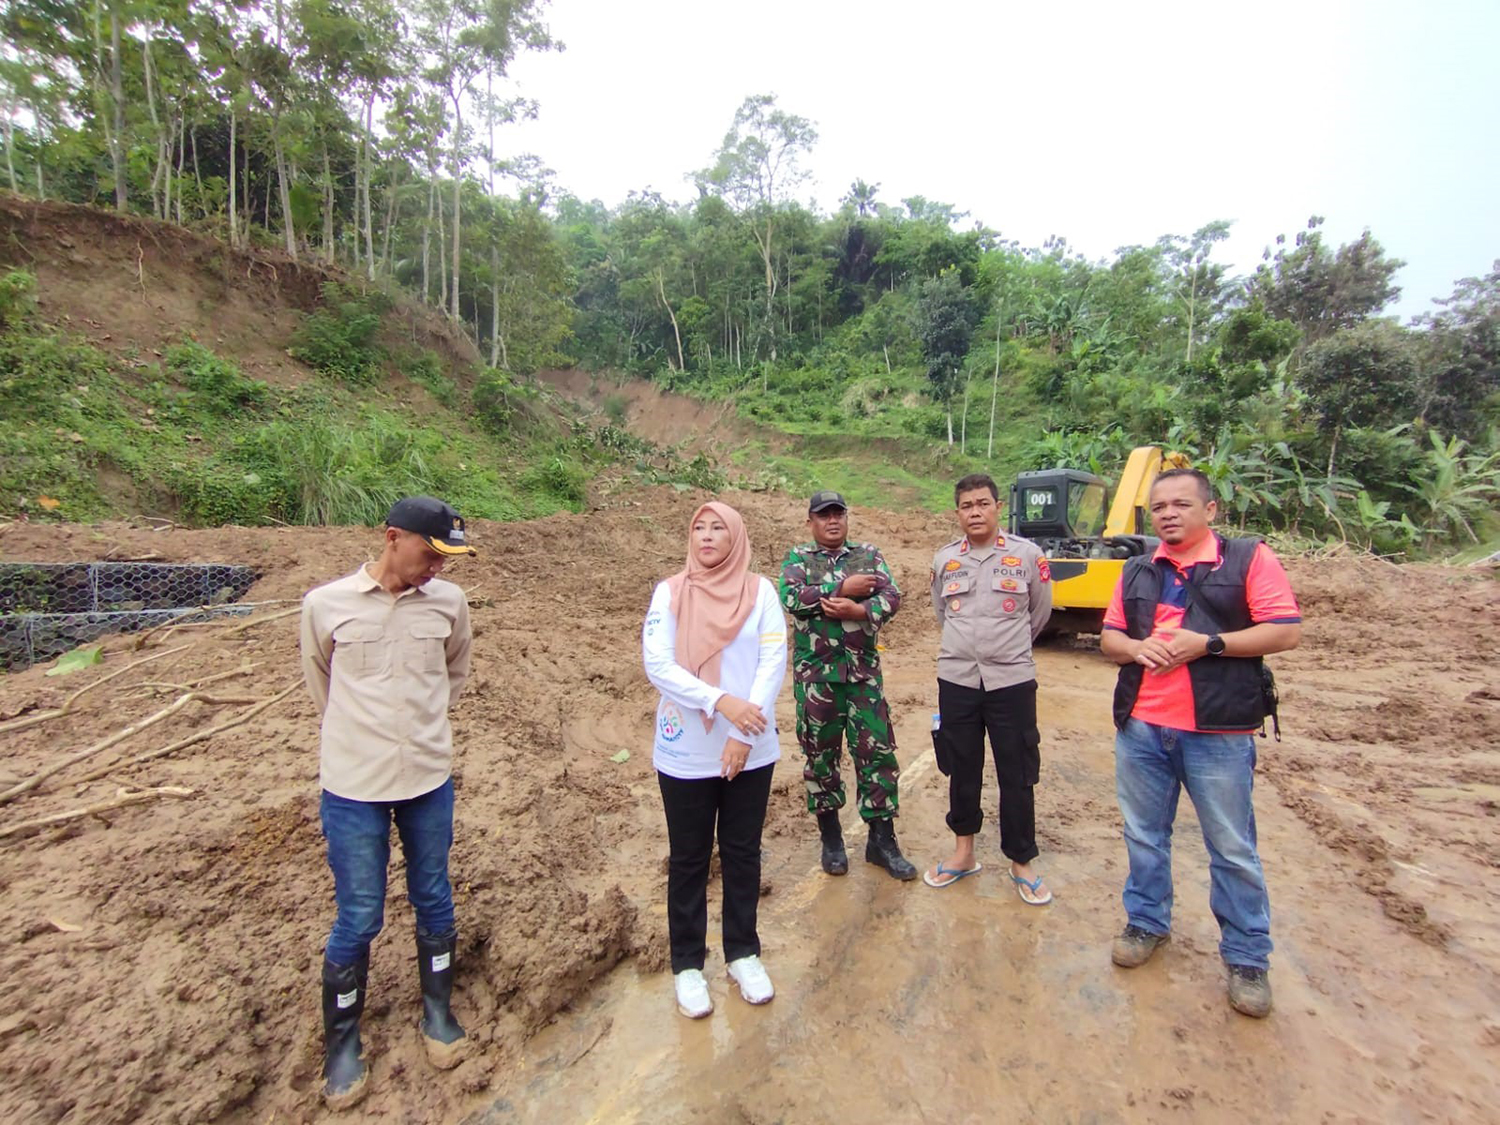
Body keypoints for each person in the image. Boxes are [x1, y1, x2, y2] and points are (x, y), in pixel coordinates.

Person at [1099, 468, 1301, 1018]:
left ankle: (1246, 957)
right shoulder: (1137, 569)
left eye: (1181, 504)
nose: (1168, 513)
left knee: (1231, 847)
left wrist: (1208, 643)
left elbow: (1284, 629)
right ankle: (1146, 923)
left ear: (1209, 511)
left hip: (1217, 734)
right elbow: (1110, 637)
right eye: (1159, 506)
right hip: (1142, 726)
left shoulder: (1247, 560)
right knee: (1143, 835)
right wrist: (1134, 649)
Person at [299, 496, 477, 1110]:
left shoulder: (449, 605)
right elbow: (320, 682)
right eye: (431, 554)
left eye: (447, 559)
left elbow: (454, 673)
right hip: (354, 787)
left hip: (428, 777)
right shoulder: (326, 606)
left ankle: (437, 1014)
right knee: (359, 914)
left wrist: (419, 728)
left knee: (434, 893)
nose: (438, 568)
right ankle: (342, 1044)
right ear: (392, 538)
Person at [642, 500, 788, 1019]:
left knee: (743, 852)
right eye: (699, 527)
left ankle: (743, 954)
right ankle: (687, 965)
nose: (706, 536)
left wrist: (744, 732)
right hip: (687, 749)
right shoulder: (670, 592)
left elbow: (773, 658)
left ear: (737, 538)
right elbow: (657, 664)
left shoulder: (761, 591)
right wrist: (718, 701)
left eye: (718, 528)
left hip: (751, 743)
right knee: (689, 858)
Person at [925, 473, 1054, 904]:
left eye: (983, 503)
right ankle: (963, 854)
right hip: (957, 680)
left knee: (1016, 772)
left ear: (998, 507)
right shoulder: (945, 560)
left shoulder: (1027, 555)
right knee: (961, 767)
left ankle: (1021, 861)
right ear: (957, 513)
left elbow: (1039, 613)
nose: (975, 512)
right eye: (967, 505)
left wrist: (1006, 650)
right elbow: (943, 613)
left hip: (1011, 682)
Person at [778, 490, 916, 880]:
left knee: (878, 756)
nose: (832, 520)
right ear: (811, 522)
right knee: (820, 758)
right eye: (824, 515)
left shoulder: (868, 555)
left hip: (862, 678)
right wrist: (840, 590)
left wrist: (862, 610)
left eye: (838, 513)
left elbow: (892, 595)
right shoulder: (798, 559)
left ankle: (881, 841)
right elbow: (790, 597)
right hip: (817, 679)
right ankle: (831, 838)